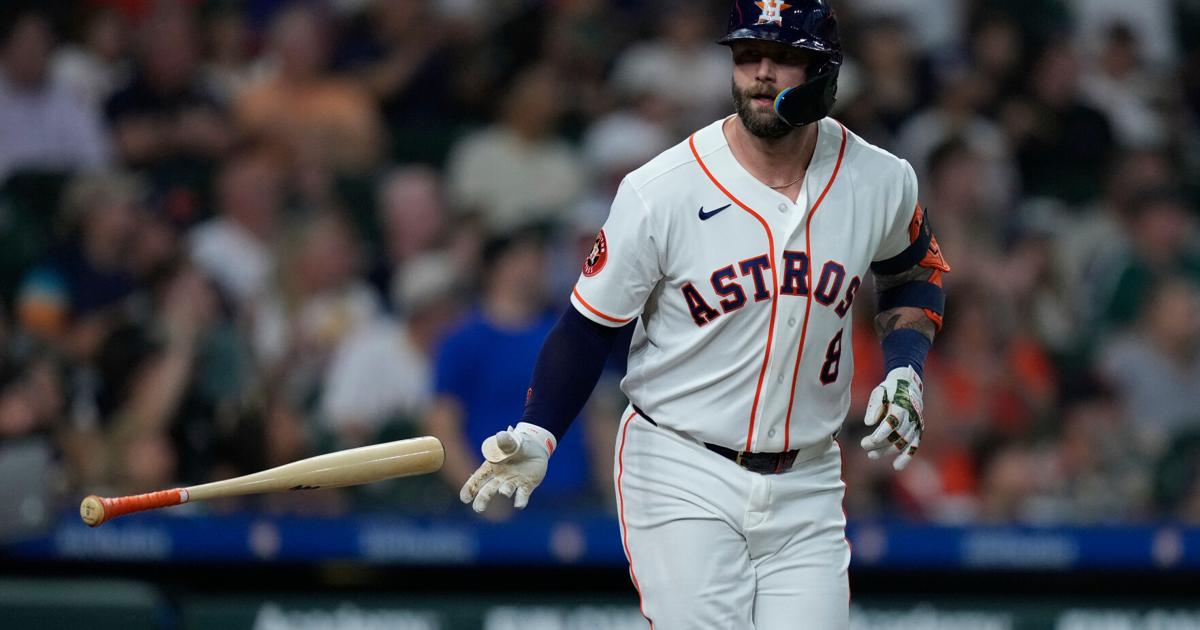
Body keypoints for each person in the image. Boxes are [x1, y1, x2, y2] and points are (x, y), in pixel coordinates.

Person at [457, 2, 950, 627]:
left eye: (783, 57)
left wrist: (905, 371)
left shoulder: (881, 179)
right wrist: (538, 430)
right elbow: (587, 327)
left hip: (809, 476)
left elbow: (914, 272)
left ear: (825, 72)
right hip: (681, 464)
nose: (761, 73)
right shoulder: (663, 189)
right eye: (747, 56)